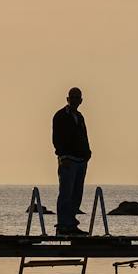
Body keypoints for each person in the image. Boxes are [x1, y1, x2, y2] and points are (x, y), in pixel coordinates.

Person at [52, 86, 91, 234]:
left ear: (81, 100)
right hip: (68, 160)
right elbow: (56, 138)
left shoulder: (80, 117)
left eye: (77, 97)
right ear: (68, 99)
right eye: (72, 97)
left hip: (81, 160)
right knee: (66, 192)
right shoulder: (60, 115)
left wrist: (87, 153)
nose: (75, 100)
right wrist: (62, 156)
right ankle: (63, 225)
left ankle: (71, 223)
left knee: (76, 193)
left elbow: (84, 136)